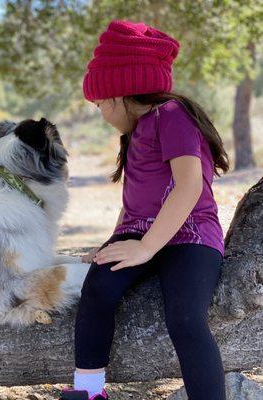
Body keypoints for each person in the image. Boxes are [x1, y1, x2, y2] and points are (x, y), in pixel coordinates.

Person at [58, 20, 230, 400]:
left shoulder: (173, 115)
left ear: (122, 93)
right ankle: (89, 391)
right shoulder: (135, 131)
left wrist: (147, 247)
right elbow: (134, 202)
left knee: (185, 318)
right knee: (98, 288)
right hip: (141, 234)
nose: (101, 112)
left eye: (101, 103)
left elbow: (189, 186)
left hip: (190, 234)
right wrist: (112, 244)